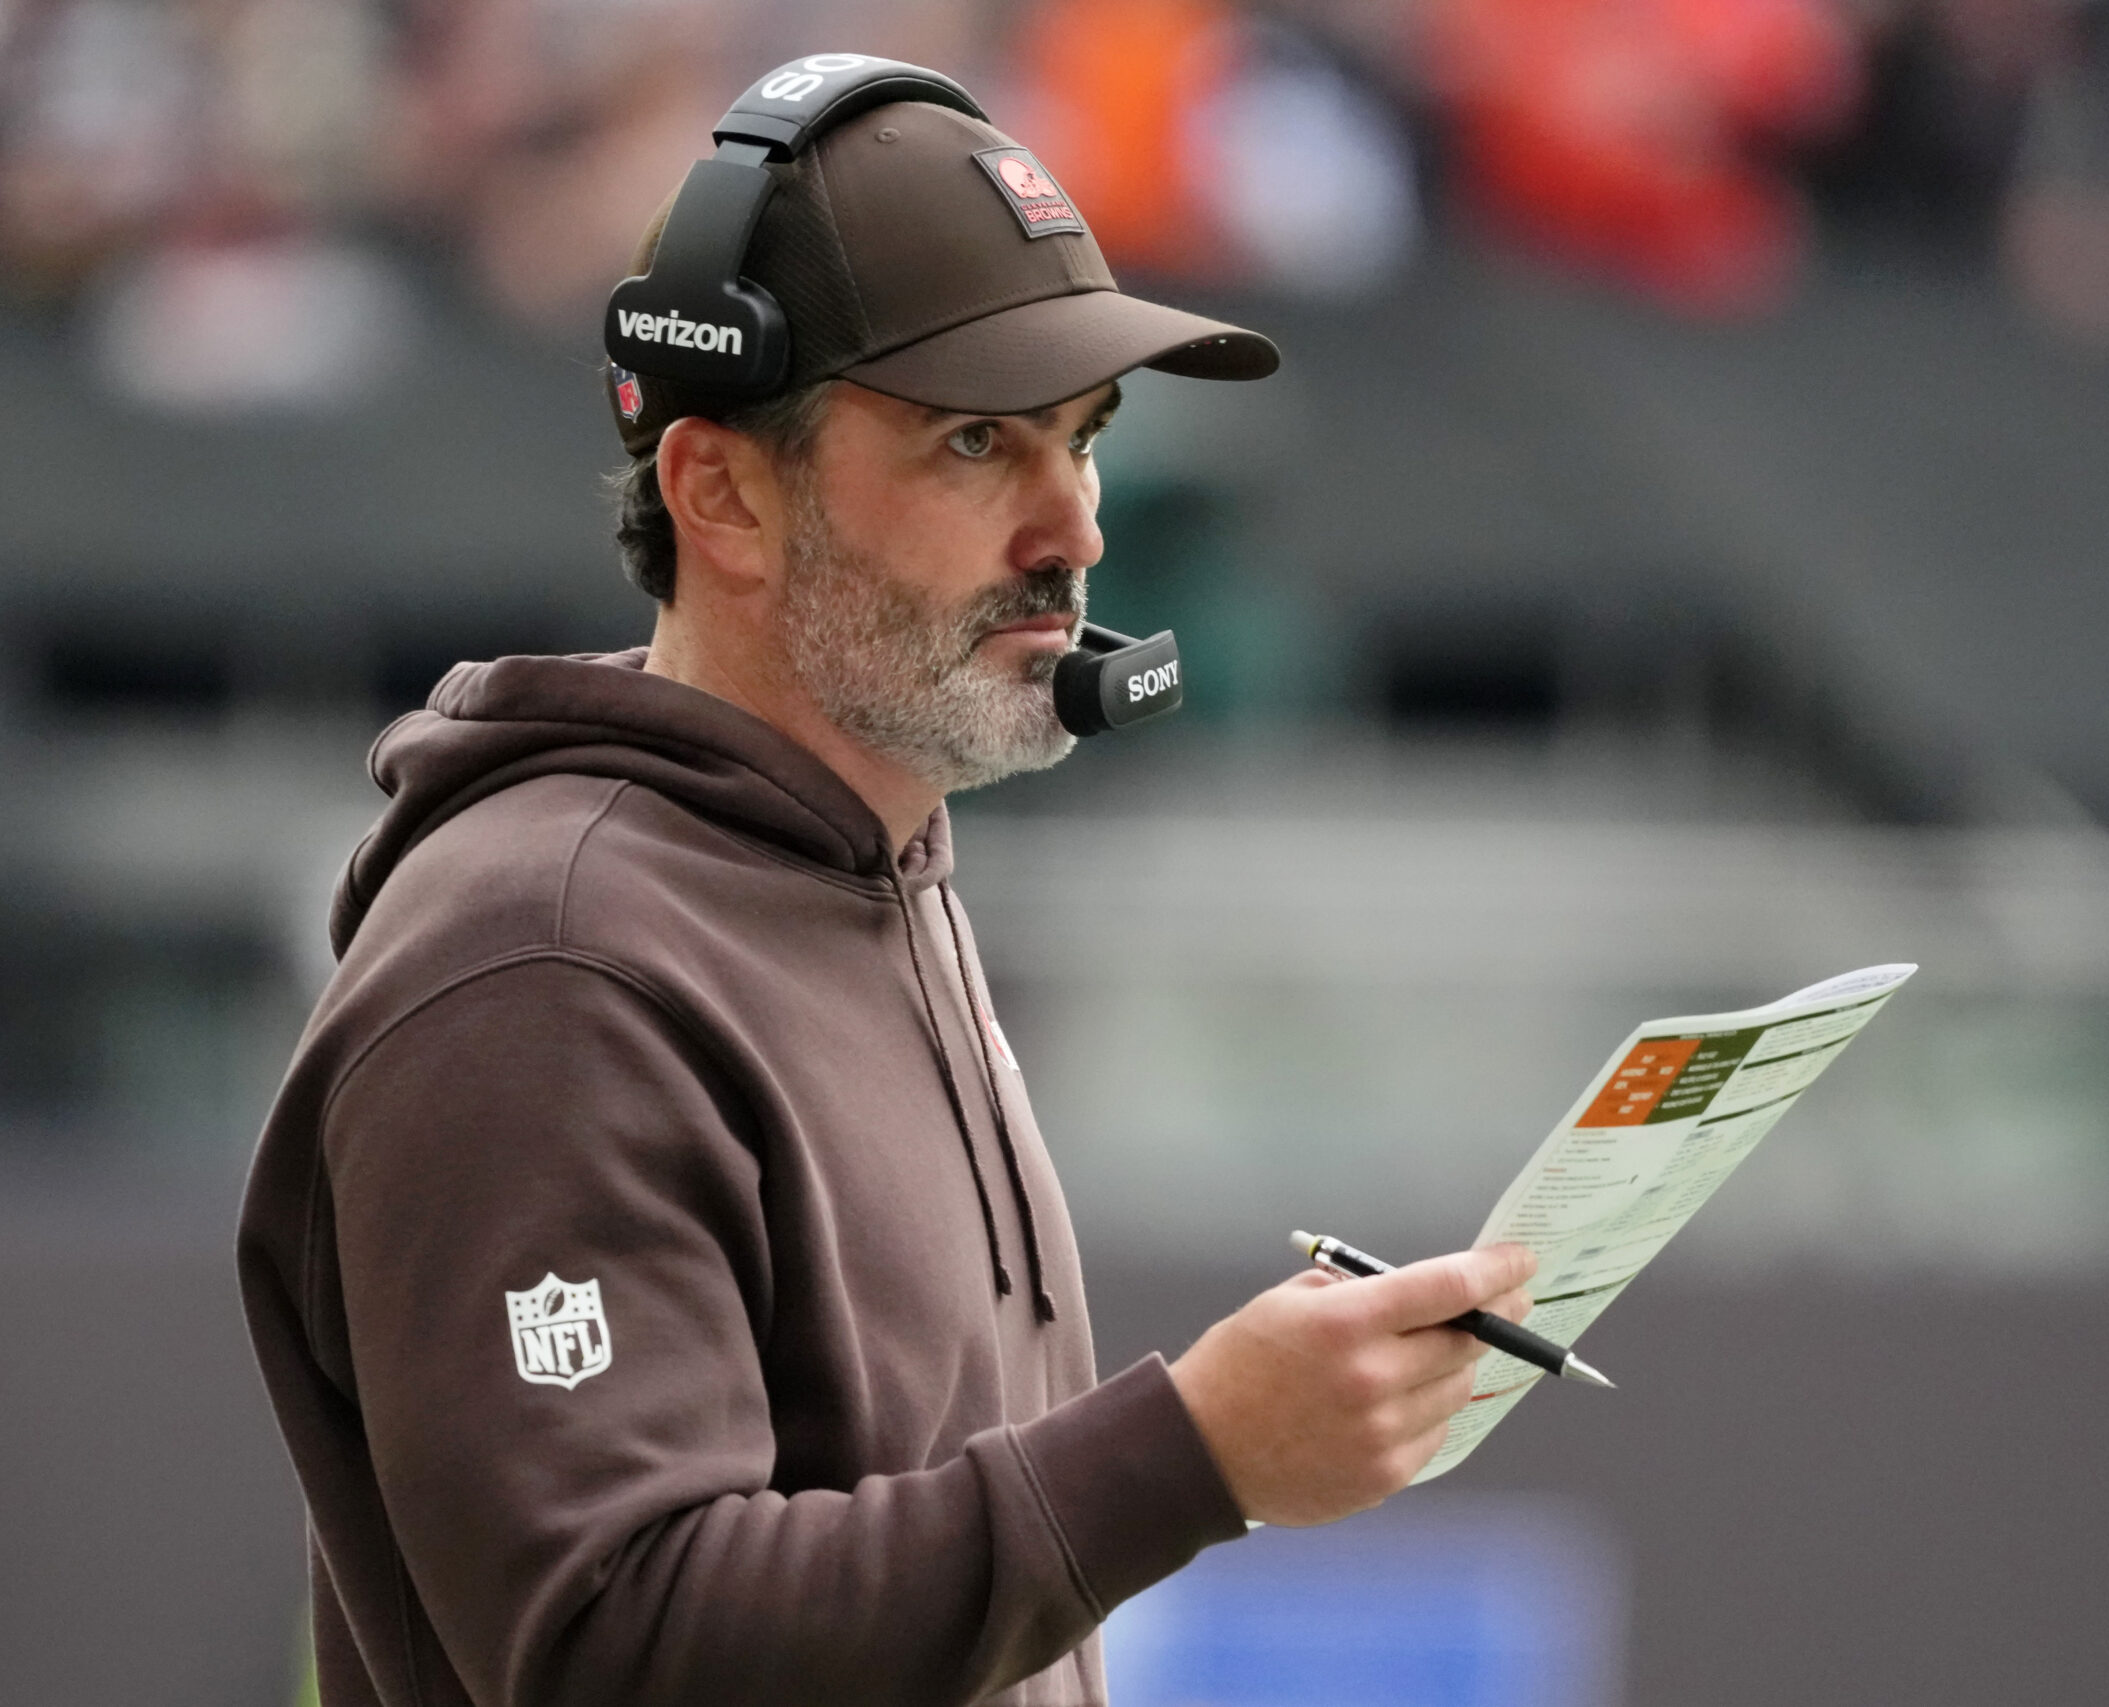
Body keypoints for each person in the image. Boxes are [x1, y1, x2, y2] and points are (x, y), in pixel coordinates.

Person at [234, 65, 1536, 1707]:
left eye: (1086, 441)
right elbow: (618, 1655)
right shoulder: (545, 966)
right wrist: (1189, 1452)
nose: (1075, 531)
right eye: (978, 444)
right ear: (721, 493)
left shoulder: (866, 861)